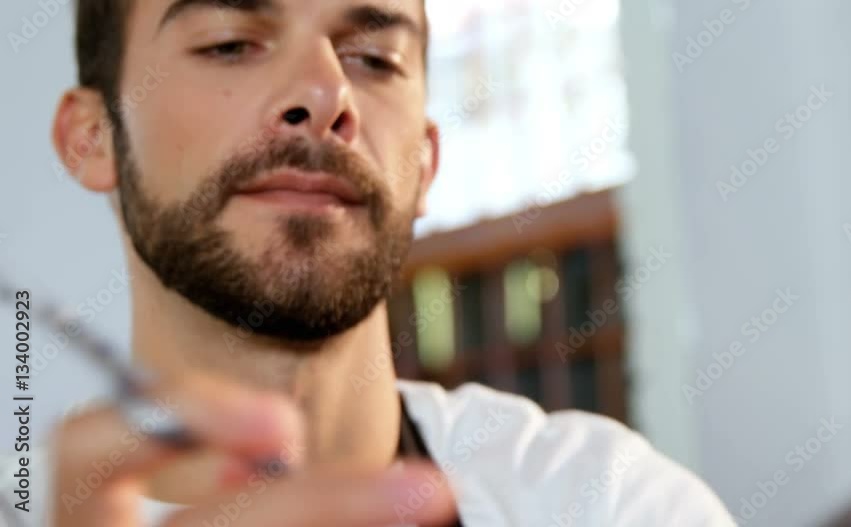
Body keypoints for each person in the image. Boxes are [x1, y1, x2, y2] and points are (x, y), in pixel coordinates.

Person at [19, 0, 735, 525]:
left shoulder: (607, 500)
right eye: (231, 44)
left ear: (423, 163)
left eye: (374, 59)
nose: (324, 94)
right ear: (92, 137)